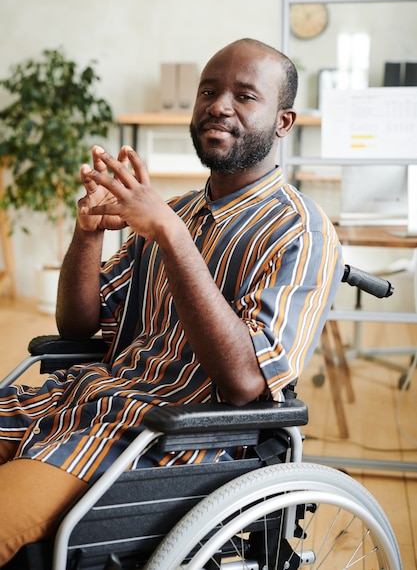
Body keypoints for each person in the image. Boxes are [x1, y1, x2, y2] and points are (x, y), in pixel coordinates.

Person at [0, 38, 343, 563]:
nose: (219, 105)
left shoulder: (302, 230)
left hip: (161, 439)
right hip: (78, 403)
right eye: (209, 90)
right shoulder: (171, 211)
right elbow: (76, 324)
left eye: (245, 96)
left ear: (283, 121)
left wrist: (172, 236)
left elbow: (246, 381)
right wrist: (88, 233)